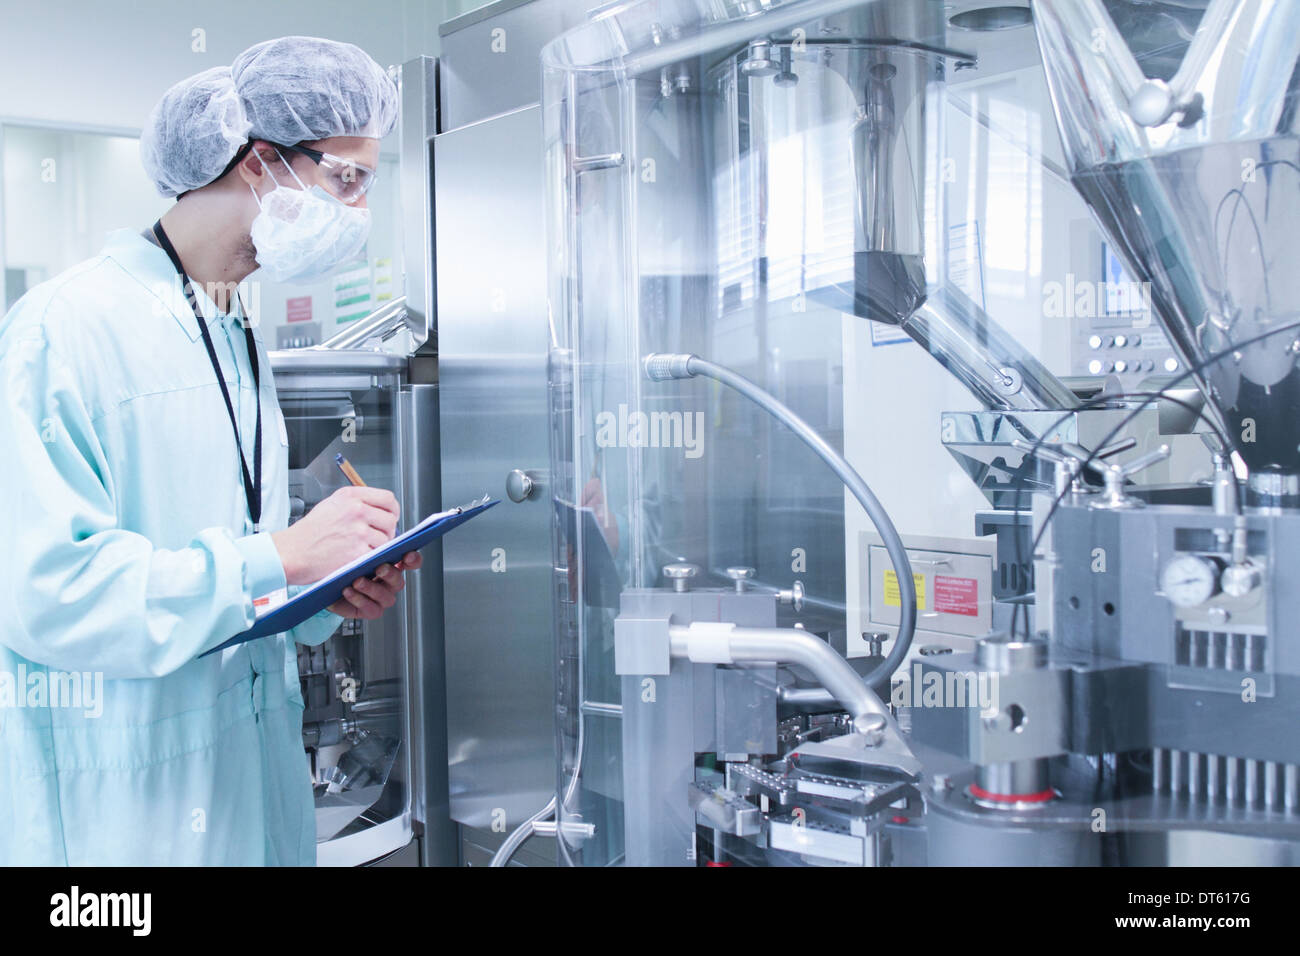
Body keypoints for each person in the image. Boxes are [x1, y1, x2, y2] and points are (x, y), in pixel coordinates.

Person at [0, 37, 416, 865]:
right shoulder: (65, 328)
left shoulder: (229, 329)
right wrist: (282, 556)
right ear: (260, 163)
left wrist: (324, 593)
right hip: (117, 816)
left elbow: (235, 581)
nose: (358, 211)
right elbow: (49, 594)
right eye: (345, 179)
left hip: (245, 795)